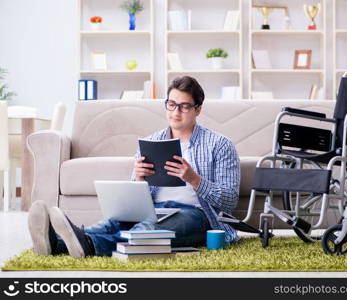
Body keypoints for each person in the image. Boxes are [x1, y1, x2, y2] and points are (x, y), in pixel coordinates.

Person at [28, 76, 241, 258]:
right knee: (111, 224)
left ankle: (86, 245)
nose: (176, 111)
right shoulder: (151, 142)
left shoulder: (220, 145)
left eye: (184, 106)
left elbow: (230, 201)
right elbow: (135, 197)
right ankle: (58, 244)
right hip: (153, 209)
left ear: (198, 109)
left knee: (143, 231)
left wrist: (194, 179)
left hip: (197, 215)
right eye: (171, 104)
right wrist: (139, 179)